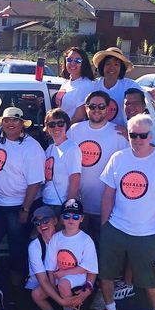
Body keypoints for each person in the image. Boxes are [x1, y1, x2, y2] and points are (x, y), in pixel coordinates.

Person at [96, 113, 155, 310]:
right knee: (106, 274)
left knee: (151, 281)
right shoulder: (119, 158)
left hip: (147, 233)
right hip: (116, 228)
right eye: (133, 135)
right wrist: (105, 227)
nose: (138, 139)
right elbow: (108, 196)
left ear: (150, 136)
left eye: (143, 135)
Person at [0, 107, 45, 303]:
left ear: (22, 125)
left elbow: (35, 182)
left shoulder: (32, 148)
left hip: (18, 205)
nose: (11, 124)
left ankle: (16, 291)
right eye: (7, 120)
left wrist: (25, 209)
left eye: (15, 121)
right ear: (1, 122)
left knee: (17, 248)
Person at [67, 91, 128, 242]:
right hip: (77, 207)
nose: (96, 110)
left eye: (101, 106)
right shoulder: (74, 130)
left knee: (102, 253)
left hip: (107, 209)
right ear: (86, 108)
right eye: (92, 106)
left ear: (108, 109)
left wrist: (130, 135)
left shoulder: (118, 133)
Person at [44, 198, 98, 310]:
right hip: (58, 274)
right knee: (38, 293)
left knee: (64, 284)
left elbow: (87, 268)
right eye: (67, 216)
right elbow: (50, 266)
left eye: (75, 216)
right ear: (61, 218)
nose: (71, 220)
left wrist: (64, 274)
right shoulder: (56, 238)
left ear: (82, 218)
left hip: (77, 275)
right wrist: (51, 285)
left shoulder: (86, 240)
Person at [27, 206, 78, 310]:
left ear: (55, 221)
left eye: (45, 220)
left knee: (64, 284)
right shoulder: (34, 246)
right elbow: (43, 280)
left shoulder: (67, 238)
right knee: (35, 297)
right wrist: (60, 300)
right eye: (37, 223)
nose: (42, 225)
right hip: (44, 283)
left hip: (67, 280)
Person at [41, 108, 81, 209]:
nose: (56, 127)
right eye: (51, 125)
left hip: (61, 205)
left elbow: (75, 180)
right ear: (47, 127)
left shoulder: (72, 148)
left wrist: (68, 207)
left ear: (66, 125)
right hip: (46, 201)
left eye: (60, 123)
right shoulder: (49, 149)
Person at [92, 47, 142, 127]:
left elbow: (141, 105)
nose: (112, 67)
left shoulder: (130, 85)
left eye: (116, 64)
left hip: (121, 134)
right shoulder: (93, 85)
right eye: (108, 64)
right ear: (102, 66)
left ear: (121, 68)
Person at [57, 47, 96, 123]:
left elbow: (80, 116)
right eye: (69, 59)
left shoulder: (87, 85)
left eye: (78, 60)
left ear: (83, 63)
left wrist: (65, 131)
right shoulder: (66, 82)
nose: (72, 63)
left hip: (72, 131)